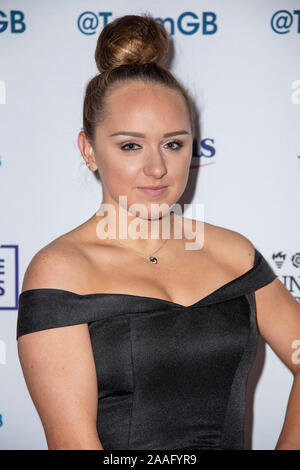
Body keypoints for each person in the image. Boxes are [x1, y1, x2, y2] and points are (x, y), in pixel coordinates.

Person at [17, 13, 300, 451]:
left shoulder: (232, 252)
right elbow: (73, 442)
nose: (157, 168)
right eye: (131, 145)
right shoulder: (61, 270)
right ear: (88, 150)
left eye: (173, 143)